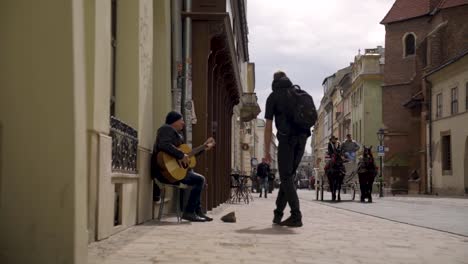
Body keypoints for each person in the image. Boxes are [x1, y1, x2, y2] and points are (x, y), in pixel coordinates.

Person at [264, 71, 310, 227]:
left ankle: (296, 216)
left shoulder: (273, 96)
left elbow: (268, 127)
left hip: (287, 139)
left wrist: (266, 151)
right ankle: (278, 215)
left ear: (274, 81)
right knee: (287, 177)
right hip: (302, 139)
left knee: (286, 177)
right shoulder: (298, 93)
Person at [151, 111, 215, 222]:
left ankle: (197, 211)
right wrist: (180, 155)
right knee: (200, 179)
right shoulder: (166, 129)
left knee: (197, 177)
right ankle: (189, 212)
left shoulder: (177, 135)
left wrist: (203, 148)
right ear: (174, 120)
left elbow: (188, 155)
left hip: (173, 171)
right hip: (165, 172)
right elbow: (164, 144)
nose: (183, 123)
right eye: (181, 120)